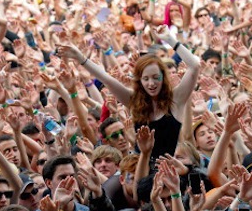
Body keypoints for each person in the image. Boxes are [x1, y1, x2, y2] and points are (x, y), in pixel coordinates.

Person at [58, 25, 200, 161]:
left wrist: (170, 39)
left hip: (172, 168)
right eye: (146, 79)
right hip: (142, 171)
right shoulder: (133, 99)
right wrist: (81, 58)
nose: (151, 84)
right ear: (139, 81)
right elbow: (105, 77)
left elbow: (194, 66)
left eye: (156, 78)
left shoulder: (175, 98)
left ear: (164, 77)